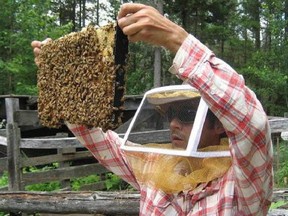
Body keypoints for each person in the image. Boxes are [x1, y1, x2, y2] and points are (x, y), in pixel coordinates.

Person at [31, 3, 273, 215]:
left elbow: (252, 125)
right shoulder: (153, 168)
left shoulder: (242, 183)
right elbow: (100, 141)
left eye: (187, 114)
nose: (173, 124)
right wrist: (59, 78)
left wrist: (176, 39)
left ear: (219, 123)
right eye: (170, 114)